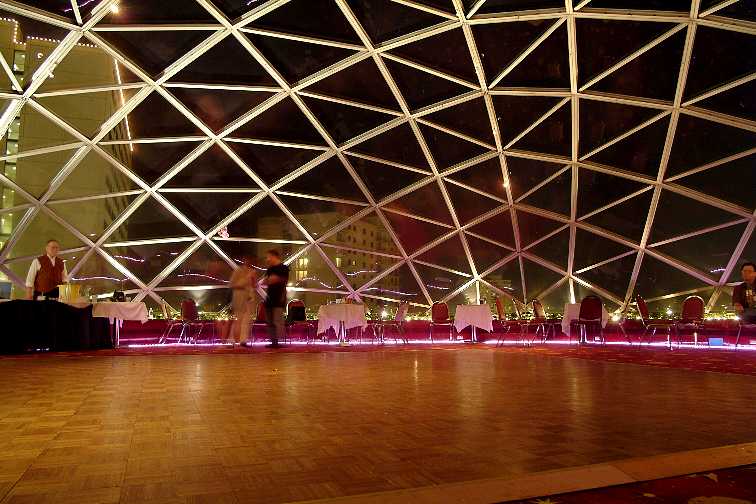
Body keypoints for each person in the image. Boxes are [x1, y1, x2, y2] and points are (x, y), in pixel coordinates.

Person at [262, 249, 289, 348]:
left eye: (268, 256)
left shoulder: (283, 268)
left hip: (279, 296)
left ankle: (278, 340)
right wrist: (272, 279)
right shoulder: (270, 269)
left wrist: (273, 279)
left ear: (274, 256)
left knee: (277, 320)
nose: (267, 259)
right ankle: (273, 341)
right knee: (270, 321)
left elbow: (281, 280)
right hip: (269, 297)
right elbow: (266, 281)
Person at [228, 256, 257, 346]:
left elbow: (254, 285)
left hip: (249, 297)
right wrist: (243, 284)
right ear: (244, 260)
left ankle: (243, 340)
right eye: (247, 260)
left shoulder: (253, 271)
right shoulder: (238, 271)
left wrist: (252, 283)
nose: (249, 262)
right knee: (238, 318)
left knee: (246, 320)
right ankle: (233, 340)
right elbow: (232, 284)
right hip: (240, 297)